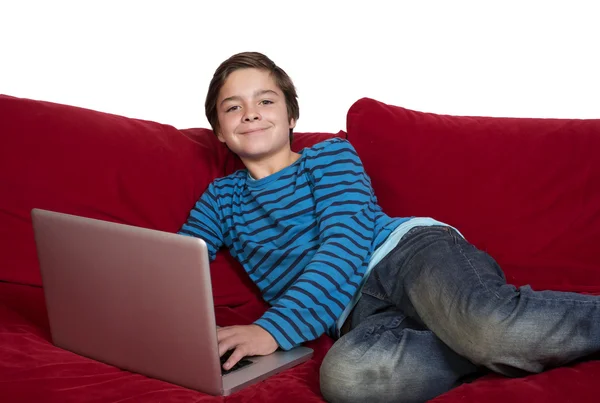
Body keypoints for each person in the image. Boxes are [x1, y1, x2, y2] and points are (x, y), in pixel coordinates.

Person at [179, 51, 600, 403]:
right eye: (233, 106)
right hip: (356, 315)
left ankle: (483, 333)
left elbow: (344, 245)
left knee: (490, 327)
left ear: (291, 116)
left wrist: (272, 329)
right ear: (218, 129)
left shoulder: (329, 158)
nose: (250, 113)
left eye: (265, 101)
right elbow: (177, 263)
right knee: (347, 378)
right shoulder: (221, 200)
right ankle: (470, 341)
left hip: (404, 256)